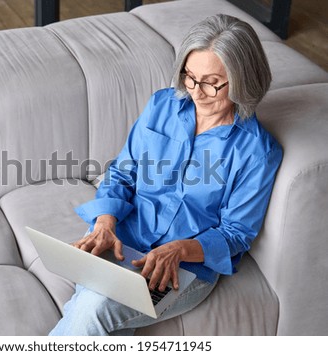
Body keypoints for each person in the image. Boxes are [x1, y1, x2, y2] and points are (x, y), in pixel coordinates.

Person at [49, 14, 283, 336]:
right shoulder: (162, 105)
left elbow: (235, 233)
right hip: (124, 239)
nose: (197, 92)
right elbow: (122, 173)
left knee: (93, 306)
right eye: (189, 77)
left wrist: (179, 249)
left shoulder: (257, 152)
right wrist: (105, 222)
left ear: (244, 80)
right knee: (92, 306)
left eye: (211, 83)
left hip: (183, 267)